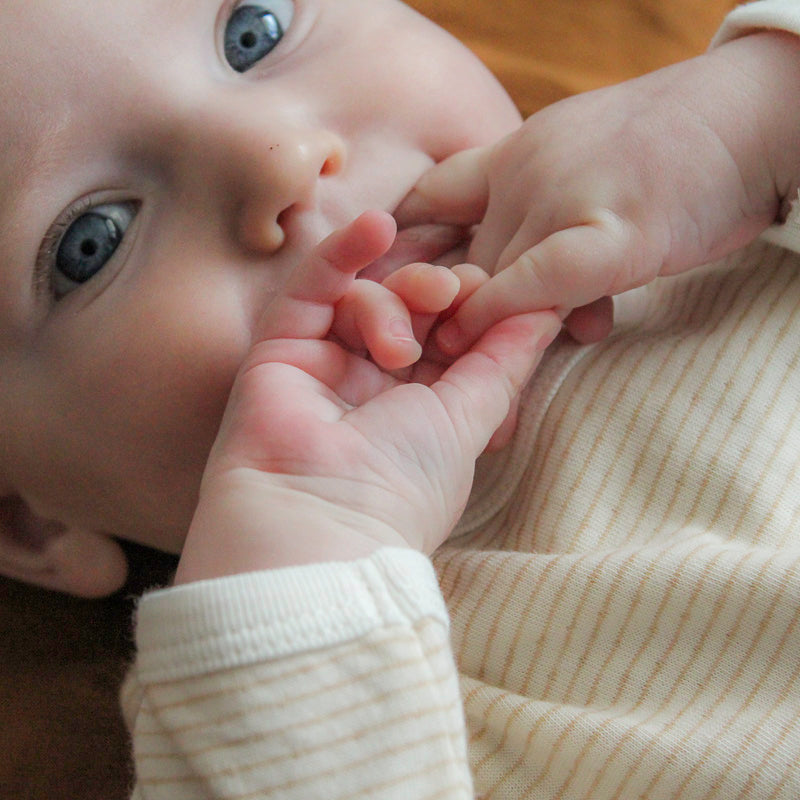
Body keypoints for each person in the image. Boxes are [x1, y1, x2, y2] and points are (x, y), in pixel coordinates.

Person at [1, 2, 800, 800]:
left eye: (255, 31)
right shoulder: (265, 688)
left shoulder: (725, 192)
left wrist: (750, 113)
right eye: (91, 241)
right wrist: (314, 532)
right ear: (31, 525)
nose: (279, 156)